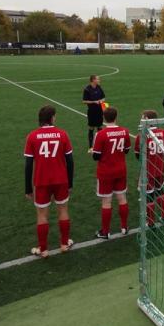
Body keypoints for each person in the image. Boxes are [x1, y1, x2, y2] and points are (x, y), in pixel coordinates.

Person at [24, 105, 74, 258]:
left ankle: (43, 249)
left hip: (41, 181)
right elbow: (70, 161)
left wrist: (28, 188)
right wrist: (70, 183)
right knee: (63, 210)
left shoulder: (32, 136)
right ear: (52, 118)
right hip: (61, 180)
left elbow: (28, 164)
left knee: (41, 214)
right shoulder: (62, 134)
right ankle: (64, 244)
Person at [92, 107, 131, 239]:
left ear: (104, 117)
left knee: (106, 201)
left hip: (105, 172)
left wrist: (96, 152)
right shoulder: (125, 131)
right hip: (121, 170)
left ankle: (105, 231)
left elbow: (96, 156)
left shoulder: (101, 134)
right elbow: (126, 150)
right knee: (122, 198)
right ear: (116, 117)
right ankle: (125, 227)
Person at [135, 110, 164, 227]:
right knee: (160, 191)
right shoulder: (163, 132)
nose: (141, 119)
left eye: (143, 117)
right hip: (160, 168)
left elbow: (137, 155)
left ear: (148, 119)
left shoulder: (142, 135)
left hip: (148, 170)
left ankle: (150, 222)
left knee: (149, 195)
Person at [82, 75, 106, 153]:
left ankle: (101, 146)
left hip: (100, 111)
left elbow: (104, 98)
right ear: (93, 80)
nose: (99, 80)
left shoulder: (99, 87)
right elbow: (84, 101)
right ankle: (90, 147)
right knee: (91, 128)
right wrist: (94, 102)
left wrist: (101, 101)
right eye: (97, 79)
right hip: (92, 111)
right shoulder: (87, 89)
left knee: (100, 128)